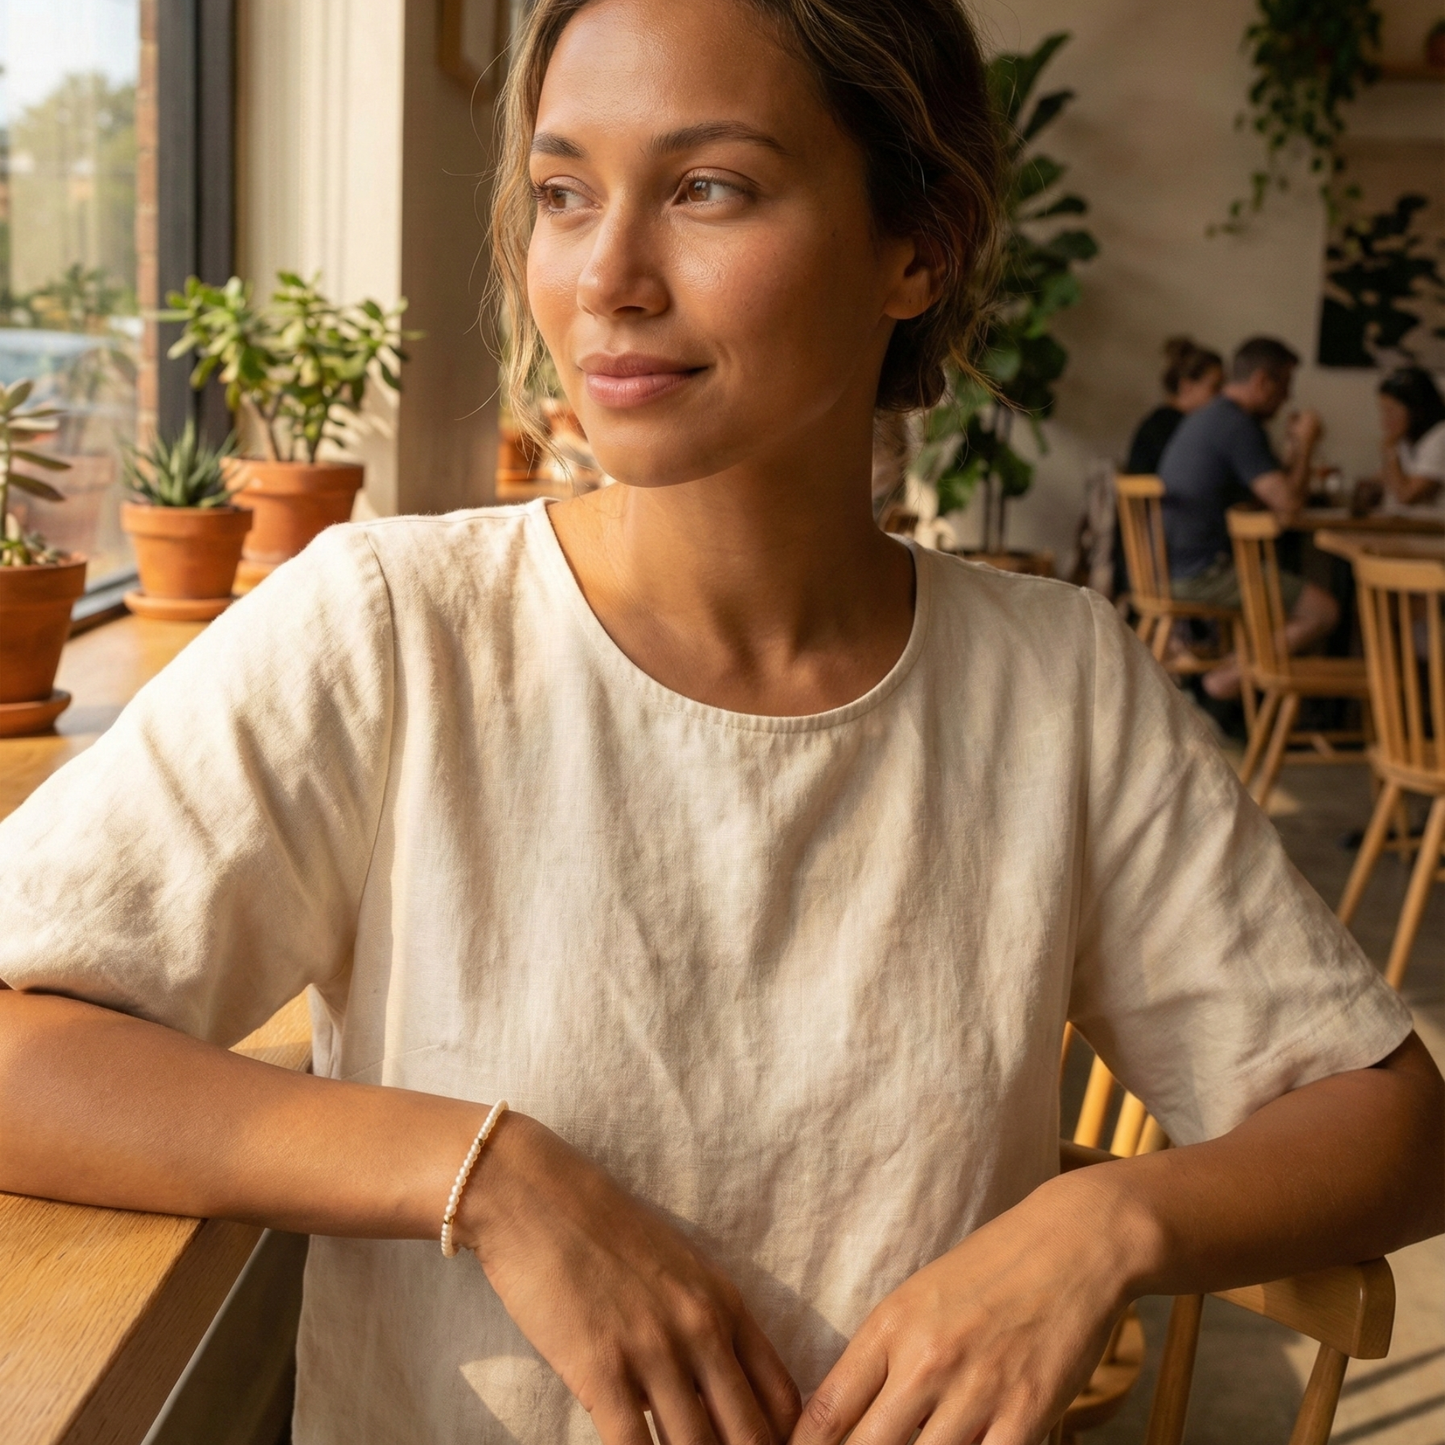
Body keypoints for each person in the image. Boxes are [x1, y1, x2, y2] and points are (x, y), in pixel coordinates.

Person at [0, 5, 1439, 1445]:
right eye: (564, 193)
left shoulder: (1053, 689)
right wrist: (490, 1177)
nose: (605, 277)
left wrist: (1101, 1222)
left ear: (915, 247)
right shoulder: (393, 631)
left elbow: (1389, 1123)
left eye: (708, 188)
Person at [1157, 335, 1340, 699]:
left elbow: (1271, 495)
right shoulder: (1237, 427)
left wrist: (1292, 451)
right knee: (1323, 610)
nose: (1287, 397)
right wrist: (1305, 445)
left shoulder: (1211, 417)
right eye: (1284, 386)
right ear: (1261, 382)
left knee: (1286, 586)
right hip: (1200, 573)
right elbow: (1288, 506)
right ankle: (1224, 683)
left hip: (1166, 566)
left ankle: (1228, 686)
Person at [1124, 336, 1223, 476]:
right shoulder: (1168, 426)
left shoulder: (1163, 420)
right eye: (1215, 387)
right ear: (1186, 386)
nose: (1223, 395)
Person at [1377, 365, 1445, 516]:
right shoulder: (1406, 440)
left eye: (1391, 411)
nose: (1385, 422)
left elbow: (1405, 496)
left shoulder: (1441, 436)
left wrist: (1389, 451)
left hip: (1435, 533)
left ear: (1416, 408)